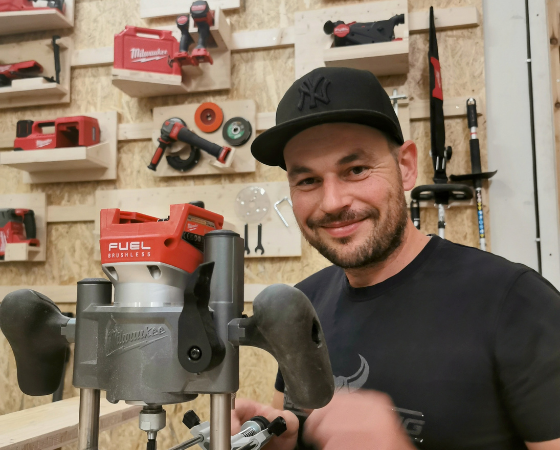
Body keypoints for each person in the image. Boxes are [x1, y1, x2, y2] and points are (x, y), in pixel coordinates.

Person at [231, 67, 560, 450]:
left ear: (406, 167)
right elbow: (290, 418)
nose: (332, 202)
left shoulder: (516, 303)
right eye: (307, 180)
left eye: (356, 170)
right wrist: (282, 442)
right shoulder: (302, 306)